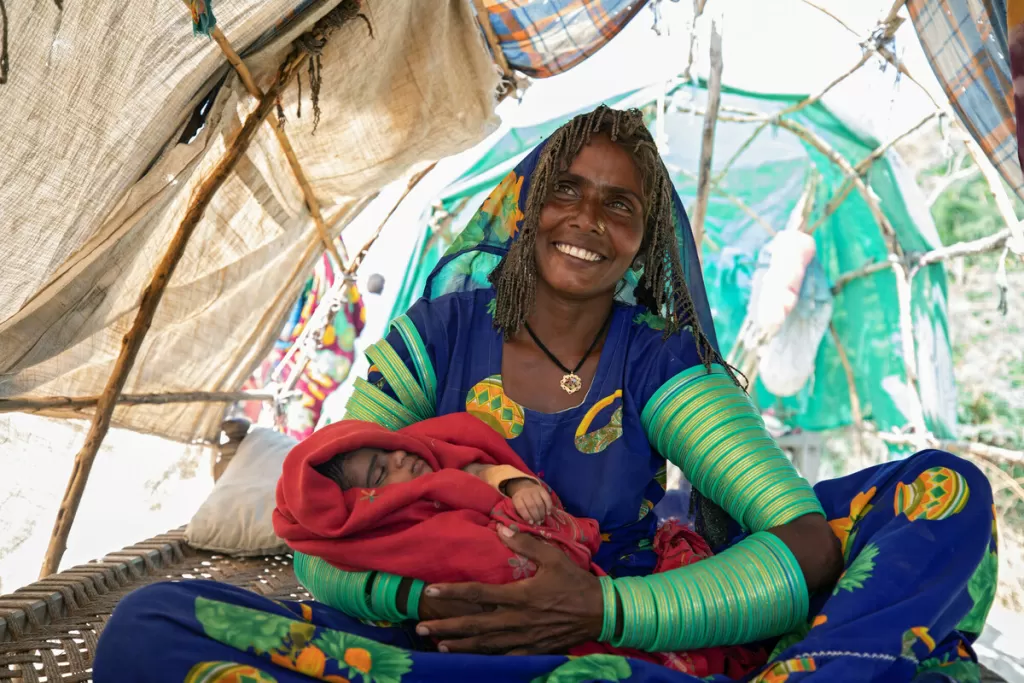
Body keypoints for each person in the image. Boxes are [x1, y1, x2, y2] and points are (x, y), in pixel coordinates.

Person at [93, 106, 997, 683]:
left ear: (643, 244)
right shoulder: (441, 334)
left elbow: (800, 540)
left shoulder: (656, 363)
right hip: (428, 640)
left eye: (619, 207)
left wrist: (600, 609)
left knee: (946, 494)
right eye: (568, 192)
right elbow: (321, 519)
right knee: (148, 627)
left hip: (611, 641)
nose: (588, 220)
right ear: (527, 211)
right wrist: (448, 608)